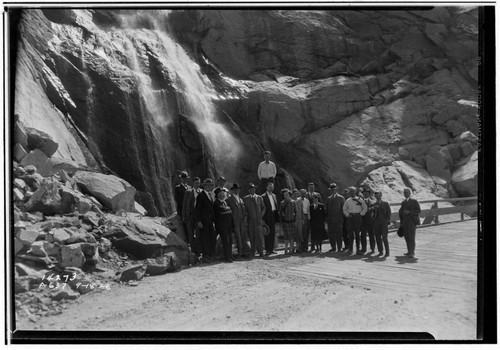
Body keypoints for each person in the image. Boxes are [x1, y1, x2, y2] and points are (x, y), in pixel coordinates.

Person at [195, 178, 216, 262]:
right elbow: (197, 209)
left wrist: (214, 221)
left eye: (211, 185)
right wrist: (199, 221)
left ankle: (210, 254)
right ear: (205, 186)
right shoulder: (201, 195)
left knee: (211, 237)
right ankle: (205, 255)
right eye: (208, 185)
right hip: (203, 220)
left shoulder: (210, 195)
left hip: (210, 220)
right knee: (205, 237)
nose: (210, 186)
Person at [243, 183, 266, 258]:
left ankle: (261, 251)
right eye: (251, 189)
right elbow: (244, 209)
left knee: (259, 236)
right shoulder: (245, 198)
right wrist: (246, 216)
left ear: (255, 189)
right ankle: (252, 252)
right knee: (252, 236)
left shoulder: (259, 197)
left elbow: (263, 207)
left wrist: (261, 215)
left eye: (253, 188)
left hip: (258, 220)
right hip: (250, 220)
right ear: (249, 190)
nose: (252, 190)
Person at [343, 186, 367, 255]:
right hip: (350, 217)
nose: (352, 193)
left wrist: (361, 214)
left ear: (355, 192)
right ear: (349, 193)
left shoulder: (360, 199)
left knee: (357, 234)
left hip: (358, 217)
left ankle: (358, 249)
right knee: (350, 234)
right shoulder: (347, 201)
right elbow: (344, 209)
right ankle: (350, 249)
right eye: (350, 191)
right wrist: (347, 215)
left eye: (353, 191)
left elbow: (365, 208)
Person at [226, 183, 248, 259]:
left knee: (243, 236)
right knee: (238, 236)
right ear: (232, 190)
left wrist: (245, 216)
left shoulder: (241, 199)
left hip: (242, 220)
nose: (236, 191)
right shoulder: (228, 199)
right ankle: (239, 253)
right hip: (235, 221)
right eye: (235, 190)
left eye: (238, 190)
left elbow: (244, 209)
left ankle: (244, 252)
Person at [399, 188, 421, 259]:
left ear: (410, 193)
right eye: (405, 193)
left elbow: (418, 211)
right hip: (405, 222)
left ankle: (412, 252)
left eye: (407, 193)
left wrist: (410, 212)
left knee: (411, 237)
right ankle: (409, 251)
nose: (406, 194)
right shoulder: (403, 202)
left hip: (412, 222)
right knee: (406, 237)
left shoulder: (414, 201)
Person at [182, 177, 201, 256]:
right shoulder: (188, 192)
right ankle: (193, 251)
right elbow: (184, 205)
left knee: (199, 233)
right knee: (190, 233)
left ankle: (198, 250)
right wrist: (184, 216)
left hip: (198, 216)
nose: (197, 184)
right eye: (195, 183)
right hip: (190, 216)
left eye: (198, 183)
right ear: (193, 184)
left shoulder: (201, 192)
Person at [213, 187, 234, 263]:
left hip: (228, 224)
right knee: (226, 241)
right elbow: (222, 210)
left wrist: (227, 210)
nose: (223, 195)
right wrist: (228, 209)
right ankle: (227, 257)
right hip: (222, 225)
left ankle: (230, 255)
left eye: (223, 193)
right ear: (218, 195)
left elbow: (228, 210)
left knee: (230, 240)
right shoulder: (216, 203)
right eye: (221, 194)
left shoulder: (224, 202)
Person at [326, 183, 345, 252]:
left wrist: (341, 219)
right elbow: (327, 209)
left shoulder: (341, 198)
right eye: (331, 190)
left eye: (334, 189)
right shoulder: (328, 199)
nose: (333, 191)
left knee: (339, 234)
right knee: (331, 234)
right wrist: (327, 219)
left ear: (336, 189)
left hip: (338, 219)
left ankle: (339, 247)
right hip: (330, 219)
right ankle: (333, 247)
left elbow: (343, 209)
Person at [372, 191, 391, 257]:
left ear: (381, 195)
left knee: (384, 237)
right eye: (376, 196)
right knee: (377, 237)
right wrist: (373, 209)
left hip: (383, 222)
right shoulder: (373, 204)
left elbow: (389, 213)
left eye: (379, 195)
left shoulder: (385, 204)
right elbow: (371, 214)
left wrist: (387, 220)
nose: (377, 197)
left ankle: (387, 252)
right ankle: (380, 251)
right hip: (376, 223)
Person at [262, 182, 279, 255]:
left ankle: (271, 249)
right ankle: (267, 250)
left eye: (272, 187)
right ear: (266, 187)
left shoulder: (274, 195)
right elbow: (262, 208)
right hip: (267, 216)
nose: (271, 188)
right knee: (267, 233)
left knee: (272, 233)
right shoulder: (263, 196)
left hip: (273, 215)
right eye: (269, 187)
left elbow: (276, 206)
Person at [279, 188, 297, 255]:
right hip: (285, 221)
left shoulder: (293, 202)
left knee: (292, 236)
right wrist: (281, 222)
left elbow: (296, 211)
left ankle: (291, 249)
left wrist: (295, 219)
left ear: (289, 194)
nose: (286, 195)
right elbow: (280, 213)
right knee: (286, 236)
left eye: (287, 194)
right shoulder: (282, 203)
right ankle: (286, 249)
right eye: (284, 195)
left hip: (292, 221)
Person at [174, 171, 191, 240]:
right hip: (181, 209)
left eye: (186, 178)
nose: (184, 180)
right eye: (183, 178)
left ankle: (191, 238)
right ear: (181, 179)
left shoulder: (190, 187)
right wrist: (185, 206)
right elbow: (177, 199)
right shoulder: (177, 188)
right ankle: (187, 240)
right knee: (184, 225)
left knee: (190, 224)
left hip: (189, 209)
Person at [360, 187, 376, 254]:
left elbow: (375, 212)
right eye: (364, 193)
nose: (365, 195)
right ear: (363, 194)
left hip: (370, 221)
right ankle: (363, 249)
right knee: (363, 235)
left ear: (369, 194)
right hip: (363, 221)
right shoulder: (360, 202)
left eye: (367, 193)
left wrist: (373, 219)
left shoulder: (373, 202)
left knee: (371, 235)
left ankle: (372, 249)